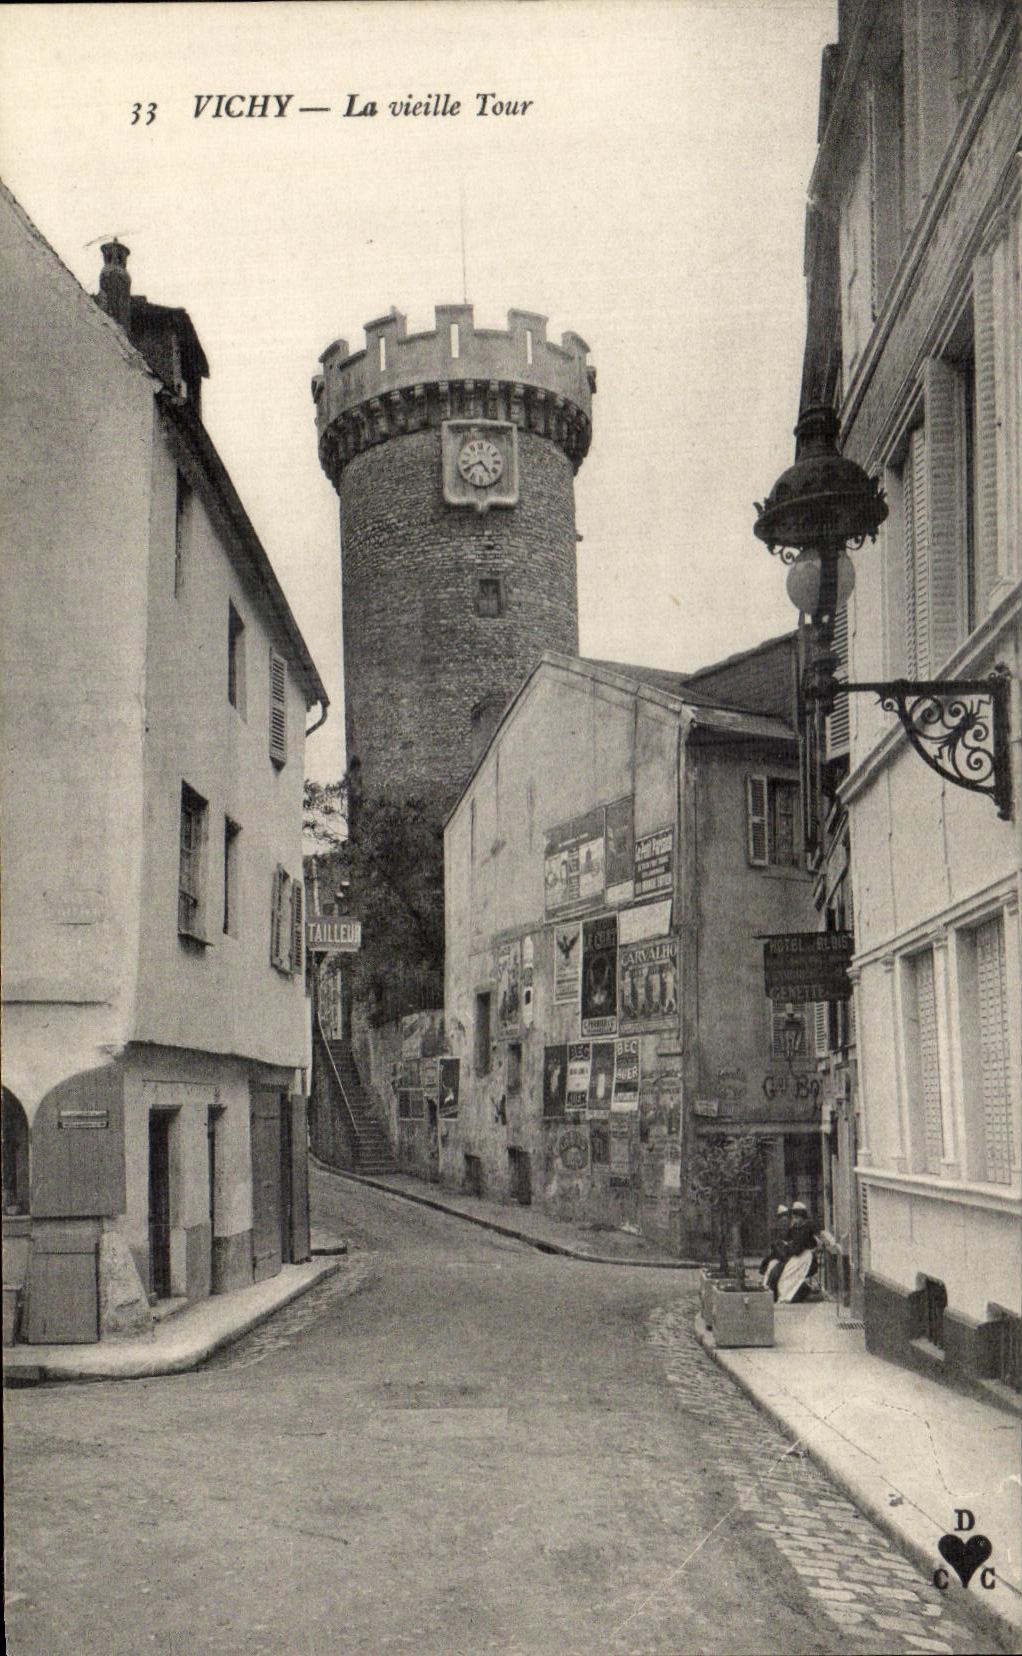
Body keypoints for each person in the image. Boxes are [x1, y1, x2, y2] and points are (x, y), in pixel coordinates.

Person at [776, 1200, 820, 1303]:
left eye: (797, 1217)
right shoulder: (795, 1227)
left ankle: (789, 1295)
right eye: (794, 1217)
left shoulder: (806, 1228)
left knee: (790, 1274)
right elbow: (787, 1239)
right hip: (797, 1255)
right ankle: (786, 1294)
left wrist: (789, 1247)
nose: (795, 1220)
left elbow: (800, 1246)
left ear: (802, 1218)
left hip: (806, 1257)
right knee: (786, 1272)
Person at [760, 1203, 790, 1300]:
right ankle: (766, 1287)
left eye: (786, 1217)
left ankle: (770, 1289)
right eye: (782, 1217)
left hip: (785, 1255)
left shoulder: (791, 1229)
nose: (784, 1220)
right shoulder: (777, 1231)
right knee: (771, 1266)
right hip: (778, 1255)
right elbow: (775, 1245)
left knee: (773, 1267)